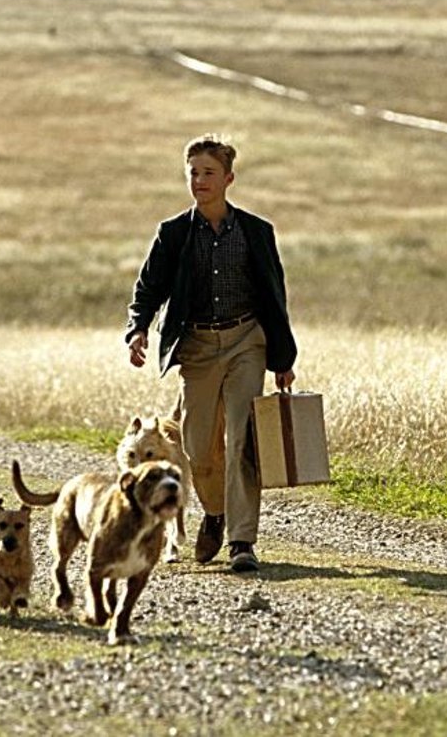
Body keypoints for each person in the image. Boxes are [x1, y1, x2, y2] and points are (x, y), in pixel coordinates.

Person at [125, 135, 297, 573]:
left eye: (208, 173)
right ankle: (215, 513)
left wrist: (282, 359)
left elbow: (276, 297)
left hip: (246, 342)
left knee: (241, 440)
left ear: (228, 179)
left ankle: (242, 541)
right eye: (193, 173)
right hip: (197, 348)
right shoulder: (174, 233)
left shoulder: (257, 232)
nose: (199, 181)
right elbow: (149, 288)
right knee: (198, 449)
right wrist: (138, 330)